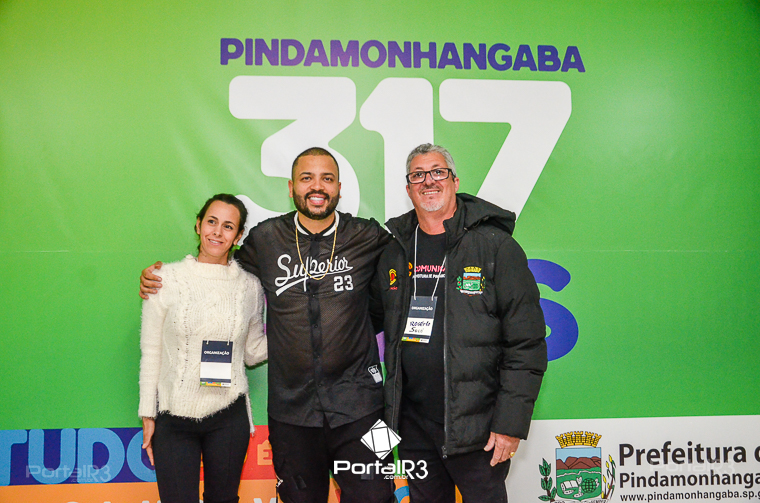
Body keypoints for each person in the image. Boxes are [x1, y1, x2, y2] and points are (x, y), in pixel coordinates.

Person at [140, 148, 395, 503]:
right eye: (306, 178)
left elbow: (409, 268)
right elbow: (220, 271)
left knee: (380, 495)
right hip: (291, 414)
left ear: (339, 187)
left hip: (365, 409)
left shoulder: (368, 235)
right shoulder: (266, 238)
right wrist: (161, 278)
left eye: (327, 178)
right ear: (291, 188)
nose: (317, 187)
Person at [376, 144, 548, 503]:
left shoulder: (496, 247)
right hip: (414, 427)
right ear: (408, 189)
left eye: (438, 172)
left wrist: (509, 424)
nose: (428, 181)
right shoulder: (395, 251)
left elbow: (526, 344)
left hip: (478, 427)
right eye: (418, 175)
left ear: (455, 181)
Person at [139, 193, 267, 503]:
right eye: (211, 222)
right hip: (173, 416)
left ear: (238, 236)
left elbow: (253, 352)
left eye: (228, 226)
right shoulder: (164, 279)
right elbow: (151, 351)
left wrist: (294, 334)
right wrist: (148, 413)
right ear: (198, 225)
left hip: (229, 415)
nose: (217, 232)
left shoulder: (250, 287)